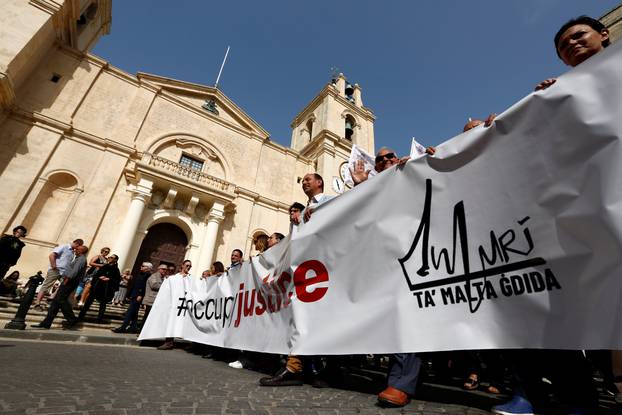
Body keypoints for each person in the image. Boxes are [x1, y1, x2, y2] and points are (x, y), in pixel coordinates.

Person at [259, 173, 333, 387]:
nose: (304, 182)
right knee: (302, 318)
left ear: (320, 182)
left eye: (309, 179)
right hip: (303, 270)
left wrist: (320, 213)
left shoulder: (330, 202)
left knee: (314, 318)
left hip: (321, 268)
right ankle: (300, 368)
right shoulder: (300, 214)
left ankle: (306, 368)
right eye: (302, 180)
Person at [535, 15, 610, 91]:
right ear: (564, 60)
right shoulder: (562, 90)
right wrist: (545, 98)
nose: (571, 43)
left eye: (578, 35)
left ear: (604, 35)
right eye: (564, 45)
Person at [32, 245, 89, 329]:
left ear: (82, 251)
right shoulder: (78, 258)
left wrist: (66, 280)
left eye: (78, 249)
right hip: (68, 280)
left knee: (60, 300)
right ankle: (47, 322)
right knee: (56, 302)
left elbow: (74, 271)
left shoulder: (81, 259)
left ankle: (72, 319)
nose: (75, 250)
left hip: (69, 281)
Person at [34, 238, 84, 309]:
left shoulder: (73, 252)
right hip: (56, 270)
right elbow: (52, 255)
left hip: (64, 272)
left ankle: (51, 298)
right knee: (46, 286)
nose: (78, 248)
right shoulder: (64, 246)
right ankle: (37, 303)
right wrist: (54, 266)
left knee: (64, 286)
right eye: (78, 246)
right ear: (76, 244)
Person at [157, 259, 192, 350]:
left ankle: (189, 343)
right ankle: (169, 342)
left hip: (184, 305)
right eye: (187, 265)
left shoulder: (191, 278)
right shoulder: (174, 278)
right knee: (172, 322)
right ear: (182, 266)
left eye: (190, 266)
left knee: (183, 324)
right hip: (174, 305)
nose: (188, 267)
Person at [77, 254, 121, 323]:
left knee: (103, 304)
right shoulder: (104, 266)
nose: (109, 258)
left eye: (111, 257)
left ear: (115, 260)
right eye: (109, 257)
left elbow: (117, 280)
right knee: (88, 302)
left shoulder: (116, 270)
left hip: (106, 289)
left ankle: (99, 318)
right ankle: (81, 316)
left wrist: (109, 279)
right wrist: (99, 277)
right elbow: (96, 275)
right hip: (97, 287)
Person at [111, 262, 152, 334]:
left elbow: (144, 286)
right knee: (134, 313)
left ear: (148, 268)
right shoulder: (140, 274)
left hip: (138, 296)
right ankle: (133, 327)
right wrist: (129, 295)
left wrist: (140, 295)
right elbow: (135, 284)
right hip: (134, 294)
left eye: (143, 266)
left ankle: (123, 327)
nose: (141, 267)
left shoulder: (148, 275)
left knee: (130, 312)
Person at [141, 263, 167, 328]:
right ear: (159, 269)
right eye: (163, 269)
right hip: (150, 300)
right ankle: (141, 330)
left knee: (151, 317)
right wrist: (166, 285)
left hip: (155, 301)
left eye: (166, 270)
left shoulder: (162, 278)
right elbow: (154, 285)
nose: (165, 271)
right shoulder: (154, 276)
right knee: (147, 316)